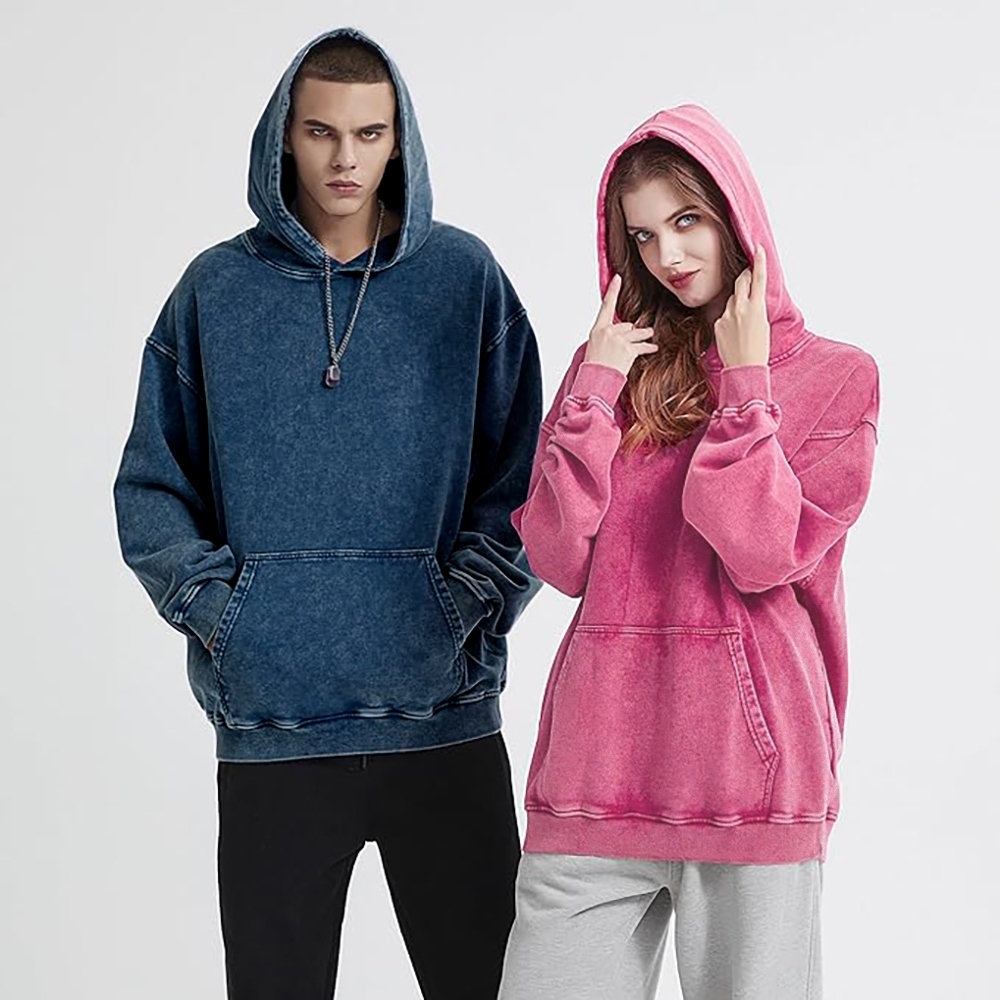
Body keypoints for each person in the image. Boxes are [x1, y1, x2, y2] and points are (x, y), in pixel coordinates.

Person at [113, 27, 541, 1000]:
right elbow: (150, 486)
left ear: (399, 139)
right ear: (285, 136)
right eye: (321, 132)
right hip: (274, 730)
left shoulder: (465, 281)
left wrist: (462, 605)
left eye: (369, 134)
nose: (345, 159)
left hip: (444, 726)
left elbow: (526, 477)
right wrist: (230, 618)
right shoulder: (214, 292)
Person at [498, 105, 879, 999]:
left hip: (752, 780)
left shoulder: (836, 376)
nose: (667, 255)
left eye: (687, 220)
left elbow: (760, 554)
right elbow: (557, 557)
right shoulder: (610, 369)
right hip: (595, 770)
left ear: (735, 216)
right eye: (643, 235)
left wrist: (746, 385)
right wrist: (595, 384)